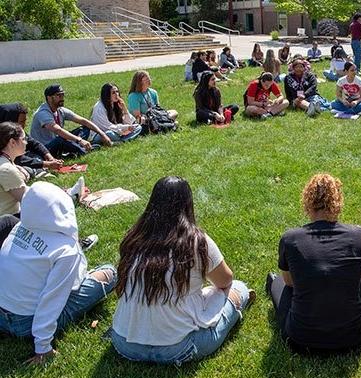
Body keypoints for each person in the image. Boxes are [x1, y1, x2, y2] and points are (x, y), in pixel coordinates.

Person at [110, 176, 254, 365]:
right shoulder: (196, 241)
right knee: (238, 288)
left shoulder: (134, 237)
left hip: (124, 342)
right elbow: (225, 280)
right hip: (178, 348)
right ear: (187, 204)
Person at [0, 181, 116, 365]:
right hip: (25, 324)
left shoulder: (19, 227)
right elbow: (51, 301)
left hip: (2, 313)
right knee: (110, 272)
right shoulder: (66, 251)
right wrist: (43, 348)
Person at [266, 173, 361, 354]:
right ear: (338, 202)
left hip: (300, 339)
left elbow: (289, 282)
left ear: (307, 203)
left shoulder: (290, 238)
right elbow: (360, 278)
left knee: (278, 282)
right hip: (353, 337)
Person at [30, 84, 112, 158]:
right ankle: (83, 151)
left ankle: (75, 150)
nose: (62, 98)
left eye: (63, 95)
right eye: (59, 95)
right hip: (45, 148)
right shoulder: (43, 113)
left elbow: (83, 121)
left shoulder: (60, 110)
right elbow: (58, 130)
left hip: (58, 141)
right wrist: (80, 140)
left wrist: (102, 134)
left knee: (85, 128)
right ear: (49, 98)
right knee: (61, 139)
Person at [0, 103, 63, 173]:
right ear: (10, 121)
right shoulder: (3, 136)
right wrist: (45, 164)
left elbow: (33, 143)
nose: (24, 124)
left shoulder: (15, 131)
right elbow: (18, 159)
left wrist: (49, 157)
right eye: (21, 122)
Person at [0, 122, 28, 216]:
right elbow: (28, 200)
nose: (26, 142)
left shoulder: (5, 163)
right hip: (7, 220)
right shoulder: (6, 169)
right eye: (23, 139)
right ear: (12, 142)